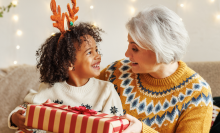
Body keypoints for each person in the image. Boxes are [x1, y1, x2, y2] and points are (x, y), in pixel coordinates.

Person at [8, 0, 123, 133]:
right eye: (90, 52)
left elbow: (117, 125)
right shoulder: (50, 88)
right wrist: (15, 118)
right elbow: (24, 109)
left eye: (97, 50)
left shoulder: (106, 91)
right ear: (69, 63)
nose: (98, 56)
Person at [97, 5, 213, 133]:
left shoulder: (197, 94)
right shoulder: (116, 71)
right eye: (129, 45)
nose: (127, 54)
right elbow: (78, 92)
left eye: (135, 49)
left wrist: (143, 130)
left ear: (161, 50)